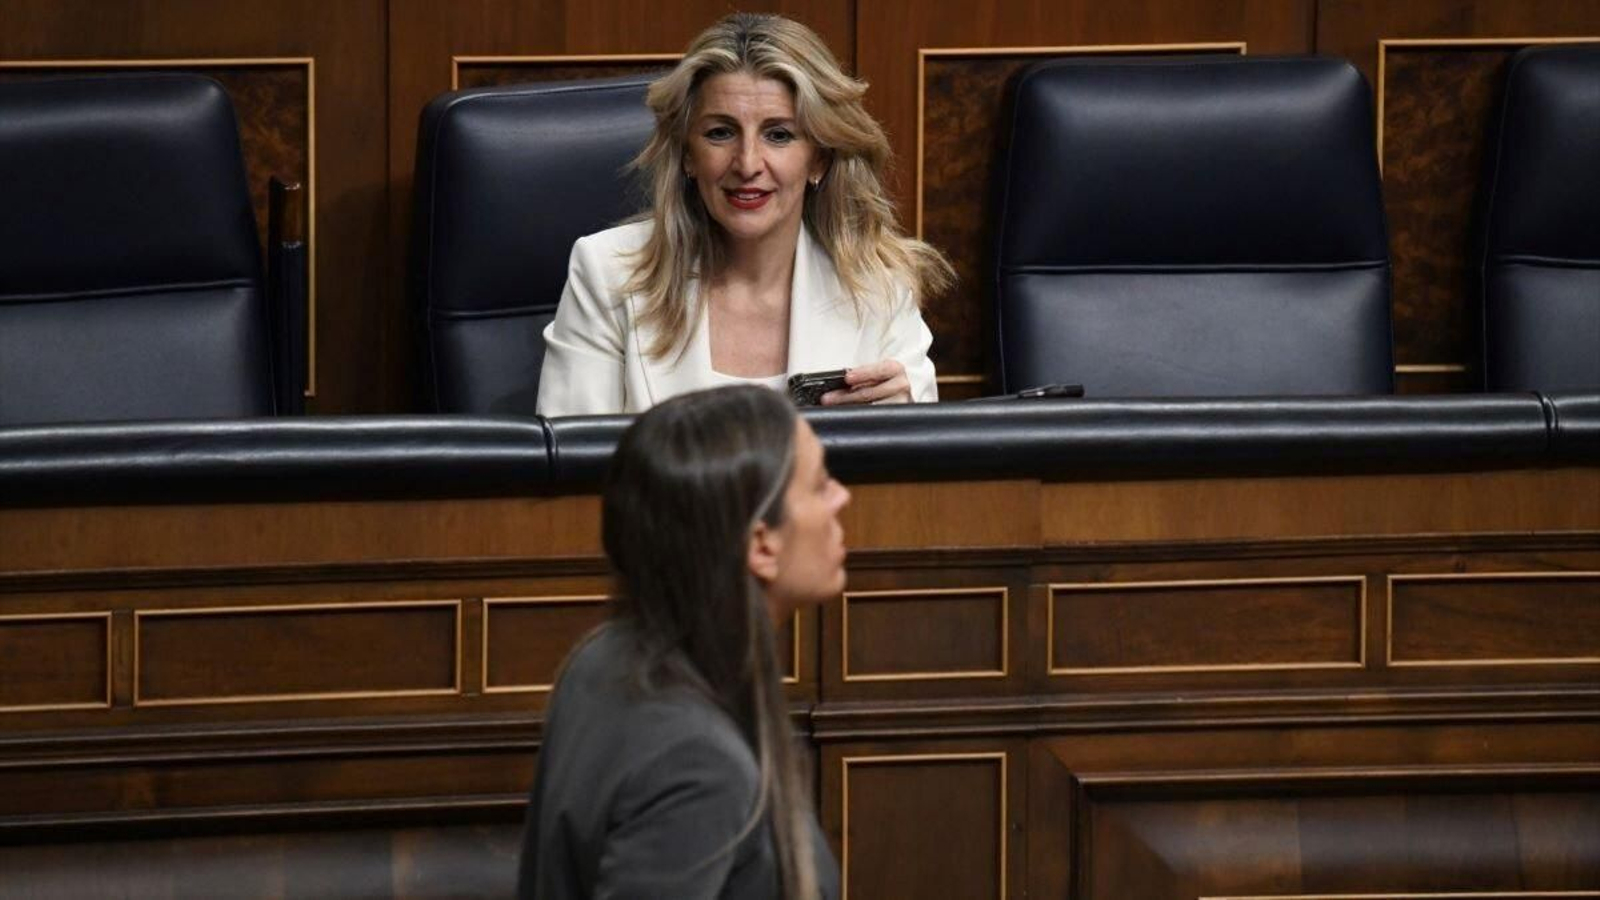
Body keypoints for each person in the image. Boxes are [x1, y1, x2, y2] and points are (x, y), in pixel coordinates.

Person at [517, 385, 847, 899]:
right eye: (821, 485)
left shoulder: (605, 656)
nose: (842, 497)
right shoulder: (697, 761)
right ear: (762, 545)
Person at [535, 13, 953, 417]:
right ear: (687, 155)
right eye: (721, 133)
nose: (748, 163)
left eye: (778, 135)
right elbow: (575, 458)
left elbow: (925, 460)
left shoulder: (879, 286)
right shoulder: (608, 273)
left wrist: (902, 423)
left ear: (819, 159)